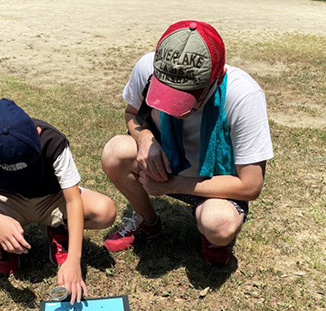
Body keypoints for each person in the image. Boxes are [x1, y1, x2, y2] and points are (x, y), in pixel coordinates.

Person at [101, 20, 274, 266]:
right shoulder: (147, 68)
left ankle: (212, 237)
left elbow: (251, 186)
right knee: (114, 153)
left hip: (217, 181)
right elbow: (132, 114)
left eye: (189, 96)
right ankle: (148, 222)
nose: (175, 109)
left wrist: (173, 185)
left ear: (219, 76)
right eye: (167, 93)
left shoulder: (244, 95)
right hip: (168, 166)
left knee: (219, 225)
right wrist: (145, 138)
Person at [0, 99, 116, 303]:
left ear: (37, 133)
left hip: (51, 198)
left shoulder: (53, 141)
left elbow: (73, 200)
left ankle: (59, 231)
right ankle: (7, 242)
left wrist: (74, 258)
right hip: (7, 199)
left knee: (105, 210)